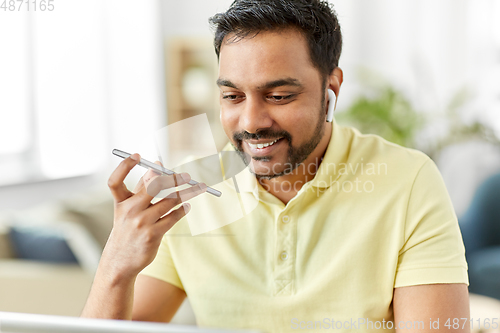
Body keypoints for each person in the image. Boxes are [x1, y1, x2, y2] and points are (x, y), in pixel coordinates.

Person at [82, 1, 470, 332]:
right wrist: (116, 264)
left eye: (279, 95)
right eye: (233, 96)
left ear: (331, 90)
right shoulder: (190, 192)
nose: (251, 121)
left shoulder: (408, 180)